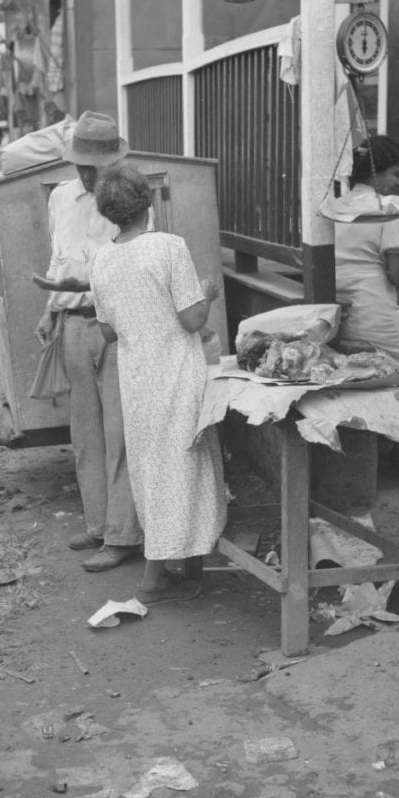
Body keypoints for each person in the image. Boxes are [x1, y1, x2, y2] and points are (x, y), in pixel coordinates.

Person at [89, 165, 226, 601]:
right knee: (187, 464)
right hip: (176, 371)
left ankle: (187, 566)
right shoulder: (169, 246)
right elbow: (193, 318)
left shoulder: (101, 258)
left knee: (154, 470)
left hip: (136, 377)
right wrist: (207, 291)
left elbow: (109, 332)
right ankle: (157, 577)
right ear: (146, 203)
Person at [31, 111, 142, 573]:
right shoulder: (60, 197)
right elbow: (59, 259)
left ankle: (122, 536)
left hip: (114, 326)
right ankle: (98, 524)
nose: (86, 173)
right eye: (80, 164)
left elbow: (135, 265)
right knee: (85, 434)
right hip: (72, 324)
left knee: (118, 435)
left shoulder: (129, 201)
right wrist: (49, 310)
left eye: (94, 166)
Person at [324, 136, 399, 360]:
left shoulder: (336, 207)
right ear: (375, 174)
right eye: (396, 174)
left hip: (340, 320)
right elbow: (398, 275)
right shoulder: (386, 211)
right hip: (376, 316)